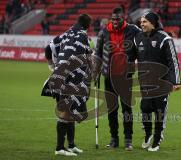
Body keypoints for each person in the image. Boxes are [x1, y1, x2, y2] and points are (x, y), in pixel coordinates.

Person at [42, 13, 92, 156]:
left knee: (70, 111)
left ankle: (71, 145)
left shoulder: (65, 34)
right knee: (66, 112)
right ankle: (59, 148)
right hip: (70, 79)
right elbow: (89, 59)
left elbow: (48, 48)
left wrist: (52, 66)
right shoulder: (84, 37)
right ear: (87, 26)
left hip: (59, 76)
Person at [93, 7, 140, 151]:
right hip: (109, 76)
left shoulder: (134, 30)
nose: (114, 21)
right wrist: (95, 72)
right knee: (112, 109)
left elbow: (141, 47)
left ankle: (128, 140)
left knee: (127, 109)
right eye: (112, 19)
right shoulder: (104, 32)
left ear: (123, 18)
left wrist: (138, 61)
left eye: (117, 19)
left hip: (125, 76)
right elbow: (98, 54)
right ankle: (114, 139)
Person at [134, 12, 181, 152]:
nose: (142, 24)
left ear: (153, 23)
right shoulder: (138, 38)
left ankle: (156, 140)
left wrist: (176, 81)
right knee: (145, 109)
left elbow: (173, 61)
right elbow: (130, 57)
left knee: (160, 112)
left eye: (145, 22)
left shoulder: (165, 39)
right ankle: (148, 134)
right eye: (141, 22)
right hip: (145, 82)